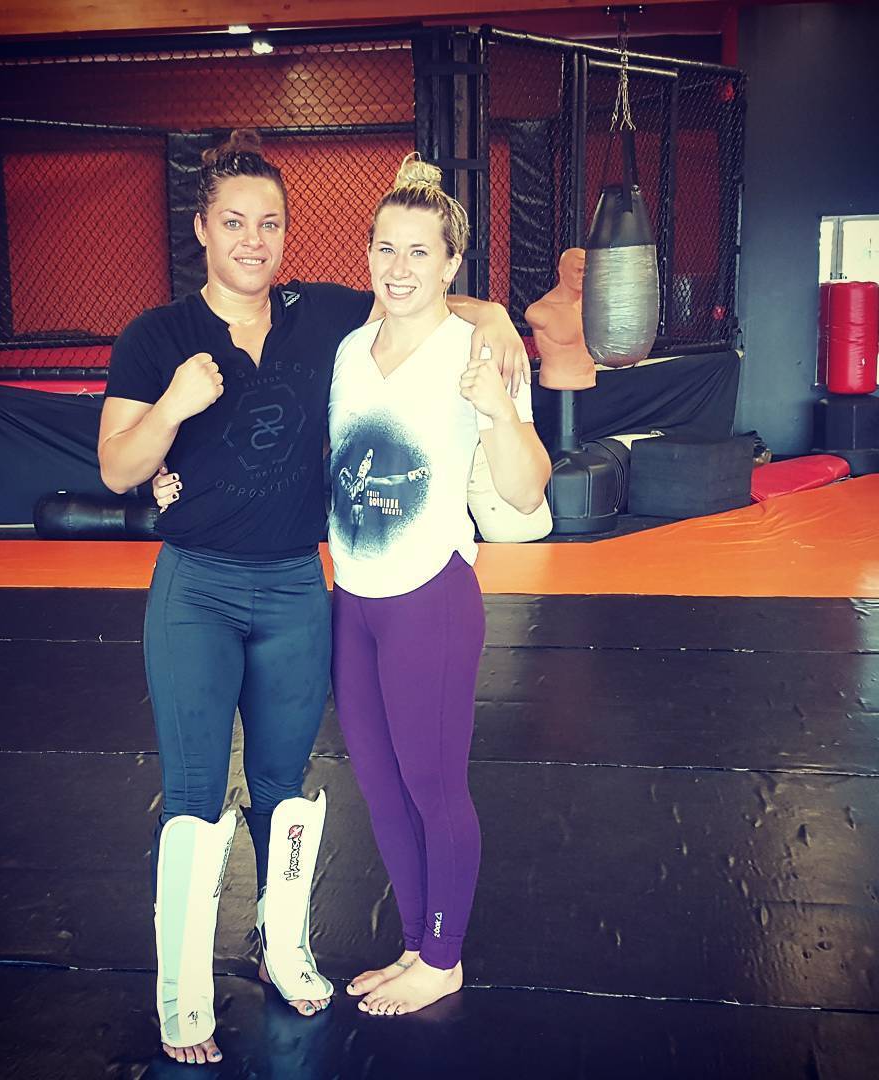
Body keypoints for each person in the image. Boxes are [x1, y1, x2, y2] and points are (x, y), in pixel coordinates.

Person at [98, 129, 529, 1066]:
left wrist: (494, 314)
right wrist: (171, 411)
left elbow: (421, 293)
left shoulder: (322, 316)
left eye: (270, 223)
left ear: (287, 233)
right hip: (210, 586)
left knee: (289, 789)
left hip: (302, 586)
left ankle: (288, 947)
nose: (253, 240)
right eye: (234, 222)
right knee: (203, 791)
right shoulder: (159, 337)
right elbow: (118, 466)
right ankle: (185, 990)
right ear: (202, 228)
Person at [327, 156, 550, 1016]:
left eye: (420, 251)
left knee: (433, 788)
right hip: (353, 600)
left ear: (452, 263)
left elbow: (527, 492)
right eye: (386, 248)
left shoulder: (478, 350)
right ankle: (418, 945)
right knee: (381, 791)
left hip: (430, 601)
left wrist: (497, 408)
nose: (399, 267)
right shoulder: (349, 351)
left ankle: (444, 959)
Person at [524, 247, 598, 391]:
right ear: (562, 271)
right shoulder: (540, 312)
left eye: (587, 270)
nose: (583, 275)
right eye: (578, 270)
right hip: (556, 383)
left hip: (590, 381)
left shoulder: (594, 306)